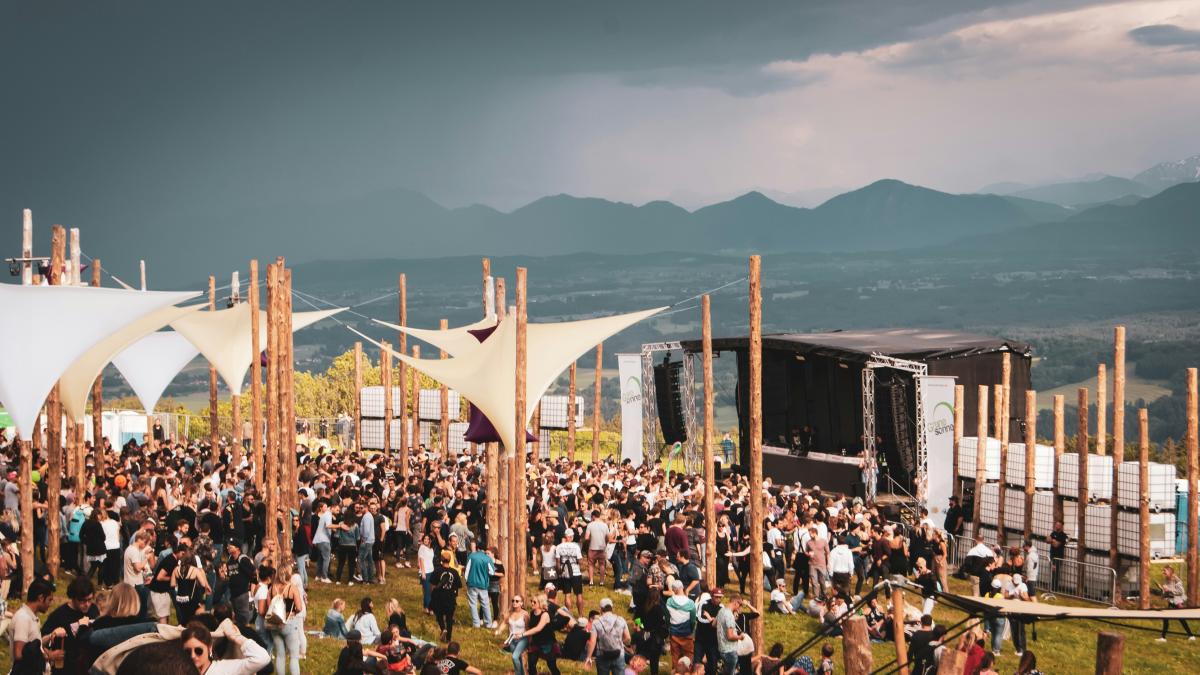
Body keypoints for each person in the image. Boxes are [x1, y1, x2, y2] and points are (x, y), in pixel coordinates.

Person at [42, 575, 99, 675]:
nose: (87, 604)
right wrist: (50, 654)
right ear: (73, 598)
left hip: (87, 668)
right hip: (65, 669)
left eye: (90, 600)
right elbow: (40, 641)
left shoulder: (93, 610)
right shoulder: (59, 615)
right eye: (82, 600)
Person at [10, 578, 63, 675]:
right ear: (41, 598)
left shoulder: (32, 617)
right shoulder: (23, 618)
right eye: (49, 600)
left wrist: (50, 638)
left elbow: (33, 645)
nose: (50, 604)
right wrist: (47, 656)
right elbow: (19, 654)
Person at [180, 620, 272, 675]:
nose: (192, 656)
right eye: (188, 652)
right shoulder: (180, 671)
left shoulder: (225, 669)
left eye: (198, 651)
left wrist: (237, 637)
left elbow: (262, 658)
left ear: (209, 648)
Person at [587, 597, 631, 675]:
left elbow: (592, 641)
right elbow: (628, 638)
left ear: (601, 609)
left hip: (602, 655)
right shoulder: (621, 619)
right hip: (618, 654)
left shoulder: (596, 622)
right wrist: (620, 642)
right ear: (611, 608)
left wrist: (588, 657)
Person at [523, 593, 563, 675]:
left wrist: (522, 634)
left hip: (547, 644)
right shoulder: (532, 613)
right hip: (535, 643)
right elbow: (531, 628)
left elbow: (538, 628)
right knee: (531, 664)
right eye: (531, 601)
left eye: (534, 602)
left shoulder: (545, 614)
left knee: (551, 666)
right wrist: (529, 642)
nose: (532, 603)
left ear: (540, 603)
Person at [430, 550, 463, 641]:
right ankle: (448, 638)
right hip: (450, 598)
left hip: (439, 597)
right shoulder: (455, 572)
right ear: (449, 560)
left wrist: (432, 596)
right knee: (449, 618)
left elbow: (432, 585)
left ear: (441, 559)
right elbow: (458, 586)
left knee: (439, 615)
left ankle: (443, 628)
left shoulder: (437, 571)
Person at [1157, 565, 1195, 642]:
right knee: (1166, 618)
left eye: (1165, 571)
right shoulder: (1166, 579)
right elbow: (1168, 593)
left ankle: (1191, 636)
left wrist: (1169, 590)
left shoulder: (1176, 580)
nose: (1163, 572)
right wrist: (1163, 590)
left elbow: (1181, 592)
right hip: (1171, 602)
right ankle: (1163, 638)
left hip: (1177, 602)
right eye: (1163, 571)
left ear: (1170, 572)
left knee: (1181, 619)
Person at [665, 579, 697, 669]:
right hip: (687, 633)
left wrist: (669, 627)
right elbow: (693, 620)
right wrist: (691, 630)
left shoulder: (669, 602)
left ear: (674, 590)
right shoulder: (690, 603)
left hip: (674, 632)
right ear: (682, 588)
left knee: (675, 656)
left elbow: (667, 618)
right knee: (688, 656)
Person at [463, 541, 495, 629]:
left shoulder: (471, 556)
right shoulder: (487, 558)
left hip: (472, 583)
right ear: (485, 550)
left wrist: (466, 581)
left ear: (477, 548)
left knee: (473, 604)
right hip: (483, 585)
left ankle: (476, 624)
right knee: (485, 604)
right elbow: (492, 572)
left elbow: (467, 571)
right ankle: (488, 623)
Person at [556, 528, 586, 616]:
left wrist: (559, 573)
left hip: (565, 572)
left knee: (567, 595)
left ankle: (568, 615)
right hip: (575, 572)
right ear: (571, 537)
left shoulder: (559, 546)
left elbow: (558, 562)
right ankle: (580, 615)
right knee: (579, 594)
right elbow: (580, 561)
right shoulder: (576, 546)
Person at [497, 594, 529, 675]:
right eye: (513, 601)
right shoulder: (509, 613)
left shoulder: (525, 614)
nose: (514, 602)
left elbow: (528, 628)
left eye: (517, 601)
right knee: (518, 658)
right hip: (511, 639)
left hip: (522, 638)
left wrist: (529, 640)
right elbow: (504, 623)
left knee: (514, 657)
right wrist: (499, 631)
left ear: (521, 603)